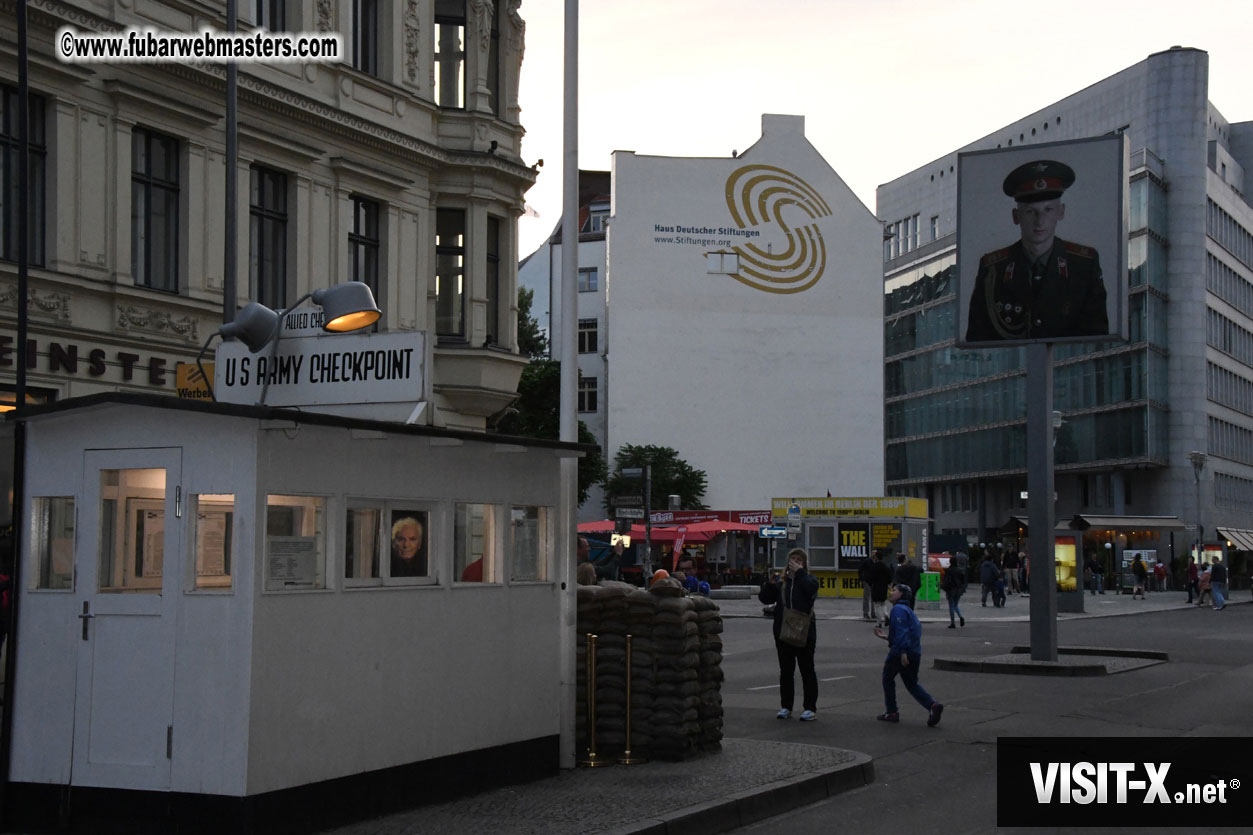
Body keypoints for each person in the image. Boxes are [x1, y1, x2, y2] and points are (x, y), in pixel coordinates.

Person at [966, 160, 1109, 342]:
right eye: (1030, 212)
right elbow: (978, 337)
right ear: (1016, 216)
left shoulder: (1083, 265)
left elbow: (1097, 337)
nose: (1040, 221)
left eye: (1048, 210)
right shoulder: (993, 269)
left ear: (1061, 212)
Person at [758, 548, 820, 722]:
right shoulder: (782, 582)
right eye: (792, 559)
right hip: (783, 631)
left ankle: (810, 707)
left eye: (799, 560)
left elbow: (811, 590)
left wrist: (800, 573)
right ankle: (786, 706)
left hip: (804, 632)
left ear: (804, 564)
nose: (794, 563)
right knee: (786, 670)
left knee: (807, 669)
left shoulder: (809, 579)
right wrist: (770, 584)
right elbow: (765, 599)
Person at [874, 584, 943, 727]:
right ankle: (932, 705)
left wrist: (903, 652)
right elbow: (911, 632)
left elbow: (902, 631)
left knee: (887, 678)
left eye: (894, 590)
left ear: (901, 594)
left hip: (900, 652)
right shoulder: (908, 610)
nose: (891, 592)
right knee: (911, 683)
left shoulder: (898, 610)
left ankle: (892, 711)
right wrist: (887, 637)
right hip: (914, 651)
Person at [867, 550, 893, 625]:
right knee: (883, 603)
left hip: (875, 587)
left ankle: (879, 622)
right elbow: (889, 578)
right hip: (883, 588)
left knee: (877, 605)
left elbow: (870, 578)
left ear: (876, 557)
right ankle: (886, 614)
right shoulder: (886, 567)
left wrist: (870, 583)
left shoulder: (874, 567)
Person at [941, 559, 966, 629]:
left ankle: (953, 623)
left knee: (951, 606)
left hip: (951, 590)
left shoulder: (949, 570)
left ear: (950, 562)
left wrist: (943, 586)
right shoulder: (959, 570)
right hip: (958, 590)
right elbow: (963, 581)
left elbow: (946, 580)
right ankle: (960, 616)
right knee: (955, 605)